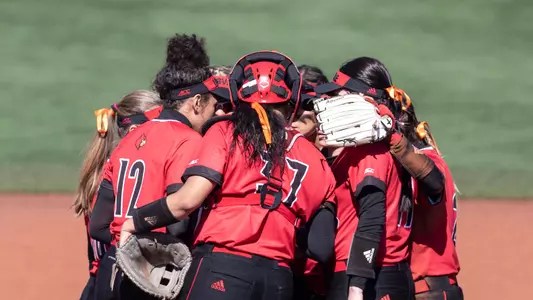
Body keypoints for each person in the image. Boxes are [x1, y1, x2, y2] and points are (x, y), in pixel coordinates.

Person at [119, 50, 338, 300]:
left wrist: (134, 222)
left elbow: (187, 201)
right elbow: (321, 248)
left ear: (238, 94)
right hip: (278, 281)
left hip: (222, 268)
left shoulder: (225, 132)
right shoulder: (316, 158)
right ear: (292, 100)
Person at [89, 33, 229, 300]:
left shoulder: (128, 140)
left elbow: (97, 226)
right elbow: (178, 224)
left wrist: (126, 245)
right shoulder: (188, 141)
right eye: (213, 104)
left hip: (113, 268)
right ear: (197, 102)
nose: (215, 112)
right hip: (151, 273)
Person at [315, 57, 415, 300]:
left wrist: (356, 287)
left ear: (361, 101)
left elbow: (371, 217)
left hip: (369, 277)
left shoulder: (368, 151)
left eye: (338, 96)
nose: (329, 103)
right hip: (377, 273)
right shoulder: (363, 148)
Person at [377, 71, 462, 299]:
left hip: (430, 289)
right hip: (426, 287)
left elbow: (433, 185)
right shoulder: (423, 159)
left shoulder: (427, 162)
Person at [72, 90, 163, 300]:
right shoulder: (124, 174)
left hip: (101, 281)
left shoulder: (105, 168)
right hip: (117, 280)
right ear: (134, 129)